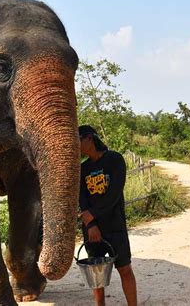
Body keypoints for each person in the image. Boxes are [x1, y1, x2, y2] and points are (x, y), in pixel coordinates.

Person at [78, 125, 137, 306]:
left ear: (89, 138)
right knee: (96, 272)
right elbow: (82, 199)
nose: (75, 146)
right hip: (92, 229)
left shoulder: (115, 160)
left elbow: (114, 194)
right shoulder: (83, 168)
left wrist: (92, 215)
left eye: (77, 140)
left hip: (114, 225)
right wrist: (91, 226)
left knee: (125, 269)